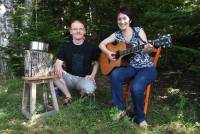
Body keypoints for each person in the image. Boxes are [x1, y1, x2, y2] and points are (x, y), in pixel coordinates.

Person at [99, 7, 157, 128]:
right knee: (115, 75)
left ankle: (140, 118)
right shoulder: (117, 34)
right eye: (119, 19)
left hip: (146, 68)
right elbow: (101, 44)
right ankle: (119, 110)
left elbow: (146, 51)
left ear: (130, 20)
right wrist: (109, 53)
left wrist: (148, 48)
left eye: (124, 18)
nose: (122, 21)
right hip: (130, 67)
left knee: (136, 88)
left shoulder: (138, 30)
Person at [54, 20, 99, 106]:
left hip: (84, 79)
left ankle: (64, 88)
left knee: (89, 89)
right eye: (75, 29)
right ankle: (68, 96)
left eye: (81, 29)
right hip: (69, 78)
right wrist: (58, 65)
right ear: (71, 31)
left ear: (84, 31)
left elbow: (96, 63)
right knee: (53, 69)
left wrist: (92, 75)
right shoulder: (65, 47)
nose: (78, 31)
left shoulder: (91, 47)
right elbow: (58, 62)